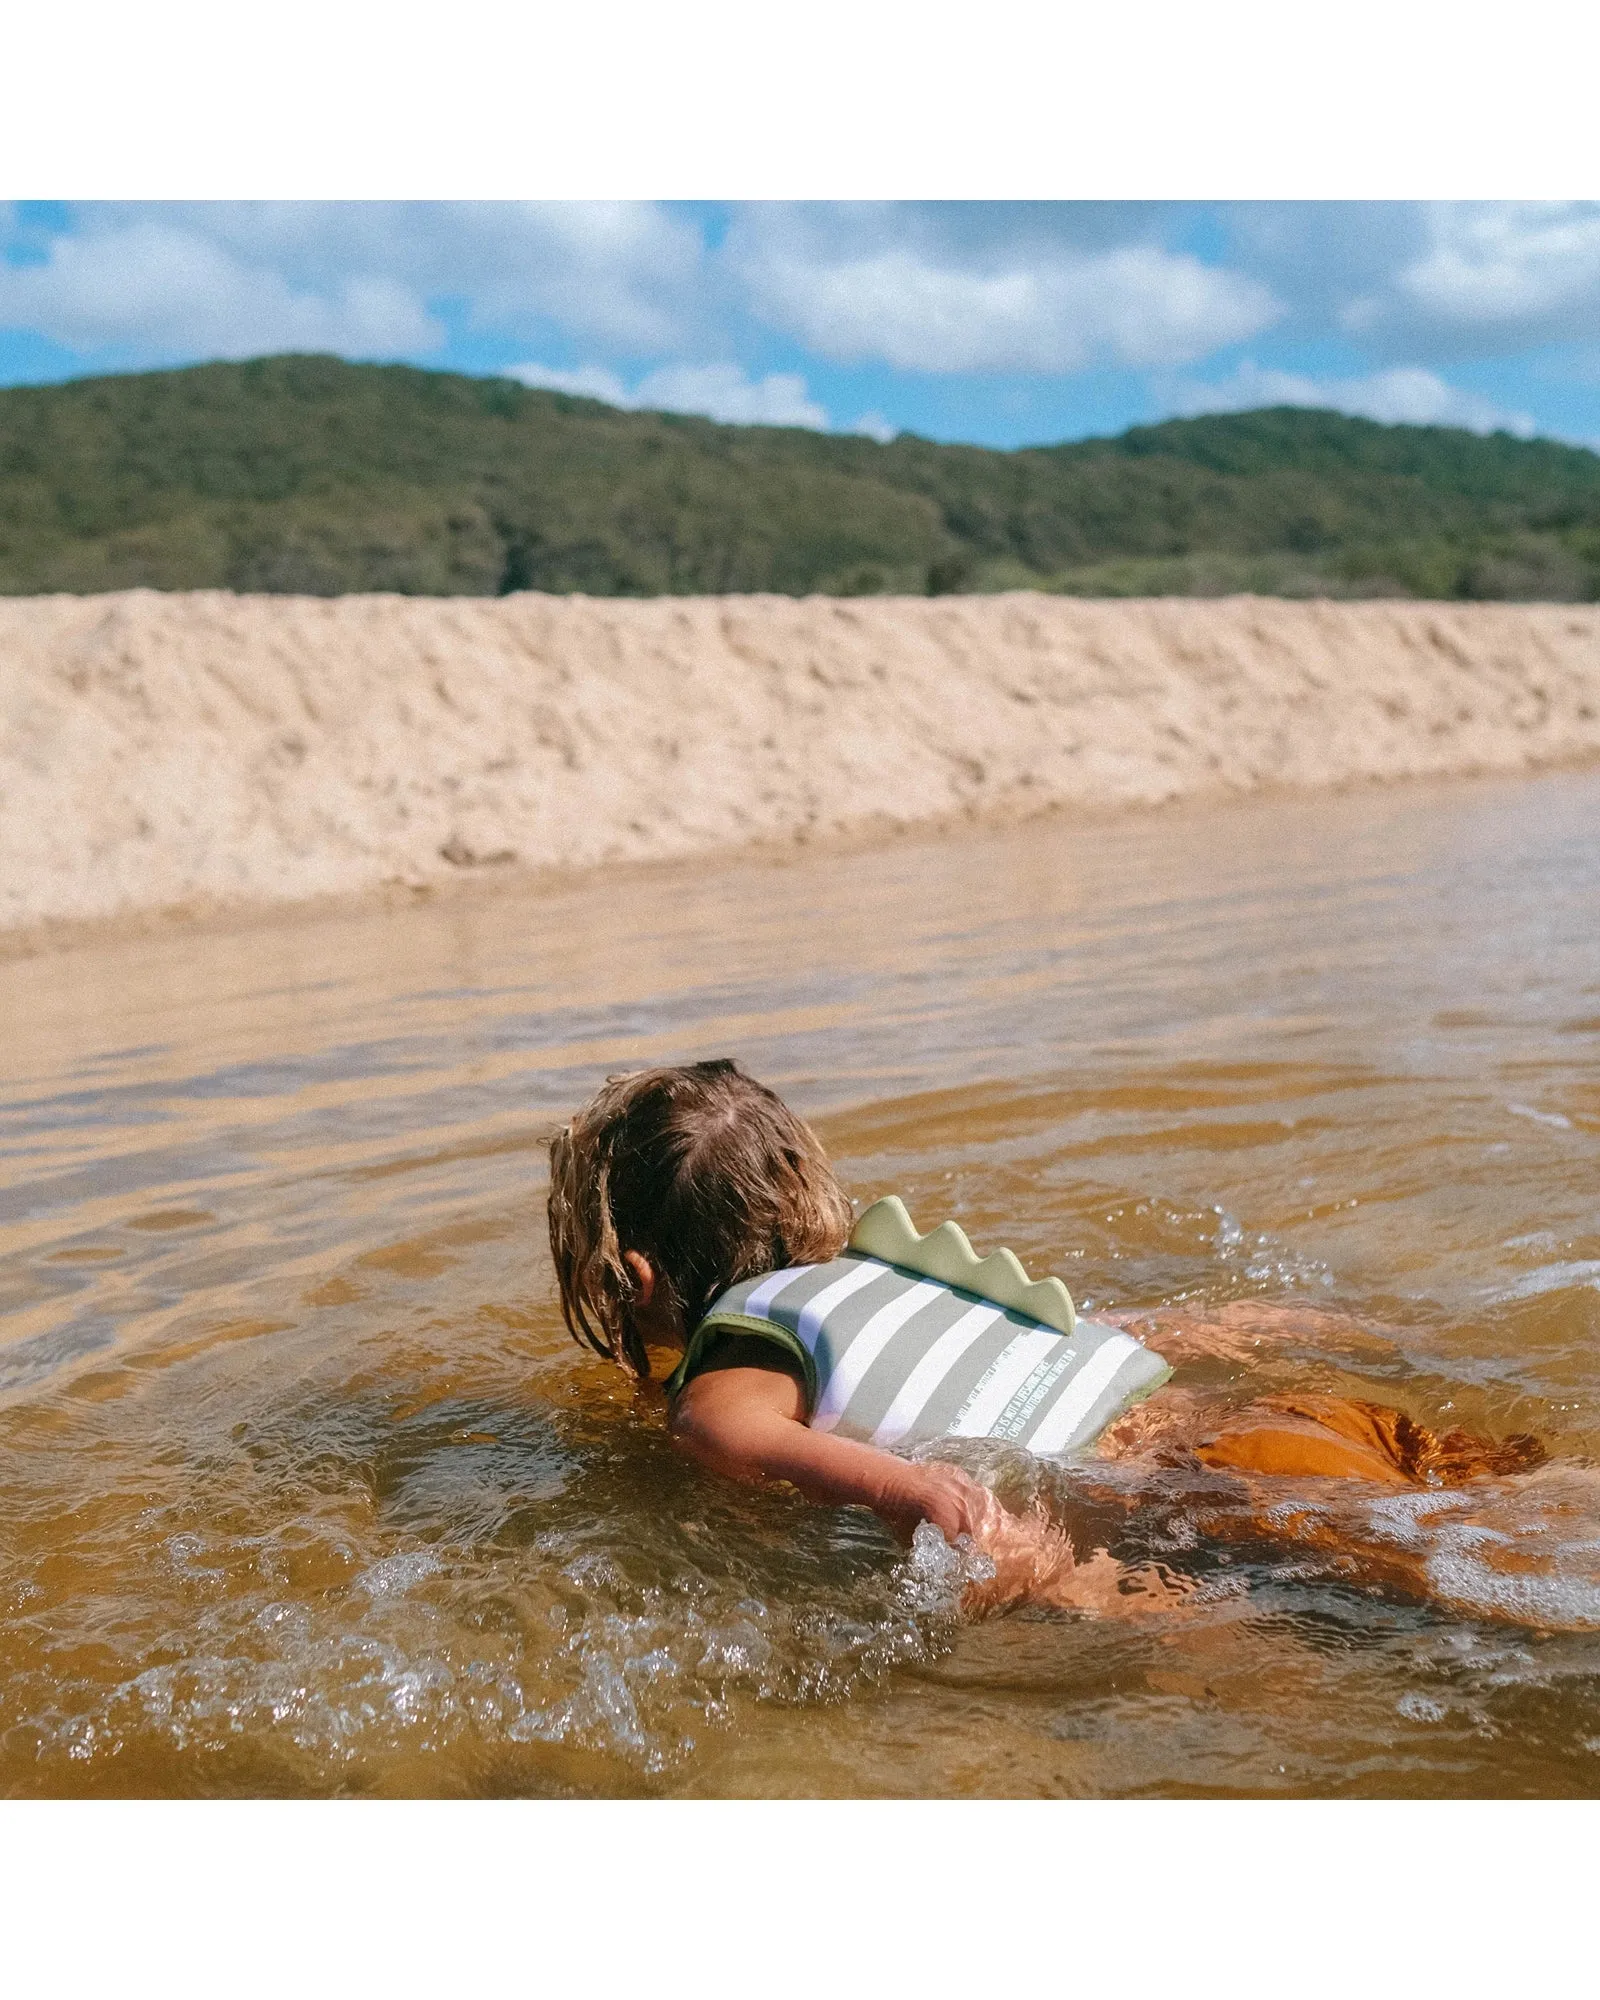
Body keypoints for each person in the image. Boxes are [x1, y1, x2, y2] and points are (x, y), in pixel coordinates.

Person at [545, 1058, 1549, 1620]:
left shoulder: (743, 1337)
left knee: (1448, 1594)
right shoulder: (883, 1274)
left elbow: (718, 1433)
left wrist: (910, 1488)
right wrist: (1241, 1321)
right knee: (1518, 1513)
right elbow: (1075, 1327)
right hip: (1240, 1418)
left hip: (1158, 1488)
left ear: (633, 1276)